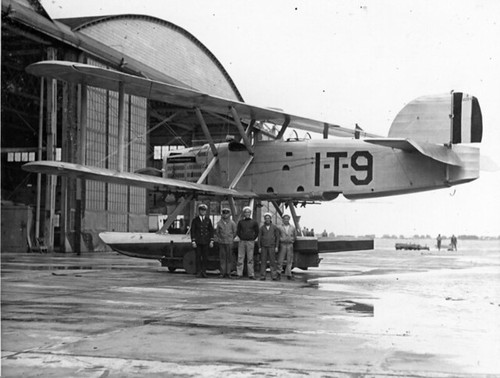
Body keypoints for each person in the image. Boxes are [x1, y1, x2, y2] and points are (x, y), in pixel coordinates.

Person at [190, 204, 214, 278]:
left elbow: (211, 231)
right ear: (199, 211)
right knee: (198, 257)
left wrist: (211, 240)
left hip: (206, 241)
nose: (203, 212)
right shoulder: (195, 220)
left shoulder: (208, 220)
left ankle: (204, 271)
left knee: (205, 257)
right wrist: (193, 241)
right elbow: (193, 231)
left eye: (204, 210)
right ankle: (198, 271)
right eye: (201, 210)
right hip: (198, 241)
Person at [236, 206, 259, 279]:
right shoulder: (241, 222)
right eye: (246, 212)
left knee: (250, 258)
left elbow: (257, 231)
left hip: (250, 242)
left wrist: (253, 238)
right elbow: (238, 231)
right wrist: (241, 237)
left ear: (250, 213)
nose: (247, 213)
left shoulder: (254, 222)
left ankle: (251, 274)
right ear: (244, 213)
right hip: (242, 241)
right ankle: (239, 274)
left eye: (248, 212)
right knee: (240, 257)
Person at [215, 207, 237, 278]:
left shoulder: (232, 223)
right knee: (222, 258)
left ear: (229, 214)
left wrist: (231, 238)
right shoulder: (219, 223)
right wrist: (220, 238)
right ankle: (222, 272)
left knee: (229, 258)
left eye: (227, 213)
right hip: (222, 242)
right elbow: (217, 232)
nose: (225, 215)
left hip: (229, 242)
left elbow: (235, 232)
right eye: (224, 214)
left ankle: (228, 272)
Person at [258, 213, 280, 280]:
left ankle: (274, 276)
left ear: (270, 219)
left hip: (272, 246)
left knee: (272, 262)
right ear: (264, 219)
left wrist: (276, 246)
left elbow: (277, 237)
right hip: (264, 247)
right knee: (263, 261)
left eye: (268, 218)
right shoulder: (262, 228)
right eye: (266, 218)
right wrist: (259, 247)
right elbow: (259, 238)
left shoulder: (274, 227)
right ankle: (262, 276)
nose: (267, 219)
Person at [277, 214, 297, 280]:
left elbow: (294, 236)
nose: (286, 220)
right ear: (283, 219)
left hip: (290, 244)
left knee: (289, 260)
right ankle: (278, 273)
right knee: (280, 259)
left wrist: (292, 240)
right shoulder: (279, 227)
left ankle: (288, 274)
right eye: (285, 219)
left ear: (289, 219)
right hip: (282, 244)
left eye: (287, 218)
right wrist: (280, 240)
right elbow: (277, 235)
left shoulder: (292, 227)